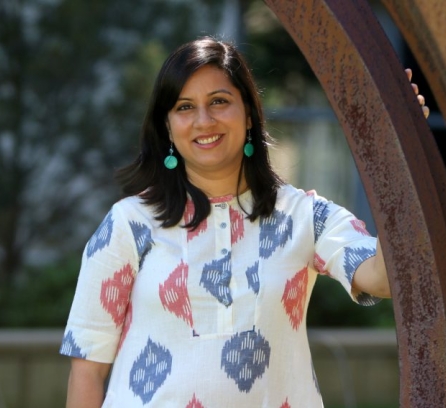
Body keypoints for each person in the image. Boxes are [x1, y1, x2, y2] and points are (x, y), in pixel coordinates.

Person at [60, 37, 429, 407]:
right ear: (168, 127)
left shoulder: (303, 216)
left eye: (219, 101)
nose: (204, 121)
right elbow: (87, 371)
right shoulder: (129, 222)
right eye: (185, 107)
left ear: (249, 114)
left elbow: (382, 278)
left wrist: (397, 156)